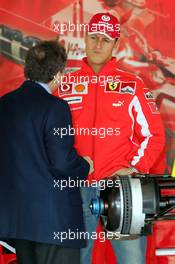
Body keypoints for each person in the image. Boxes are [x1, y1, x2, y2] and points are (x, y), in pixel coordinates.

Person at [55, 13, 166, 264]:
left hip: (122, 189)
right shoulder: (65, 85)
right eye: (93, 37)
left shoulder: (132, 85)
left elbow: (154, 135)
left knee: (132, 261)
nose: (97, 44)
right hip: (75, 187)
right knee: (74, 260)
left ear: (116, 44)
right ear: (84, 38)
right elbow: (51, 137)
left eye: (105, 40)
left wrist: (135, 167)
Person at [0, 40, 94, 264]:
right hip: (54, 221)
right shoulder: (55, 107)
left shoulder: (4, 104)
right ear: (59, 75)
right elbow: (62, 162)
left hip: (18, 222)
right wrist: (85, 165)